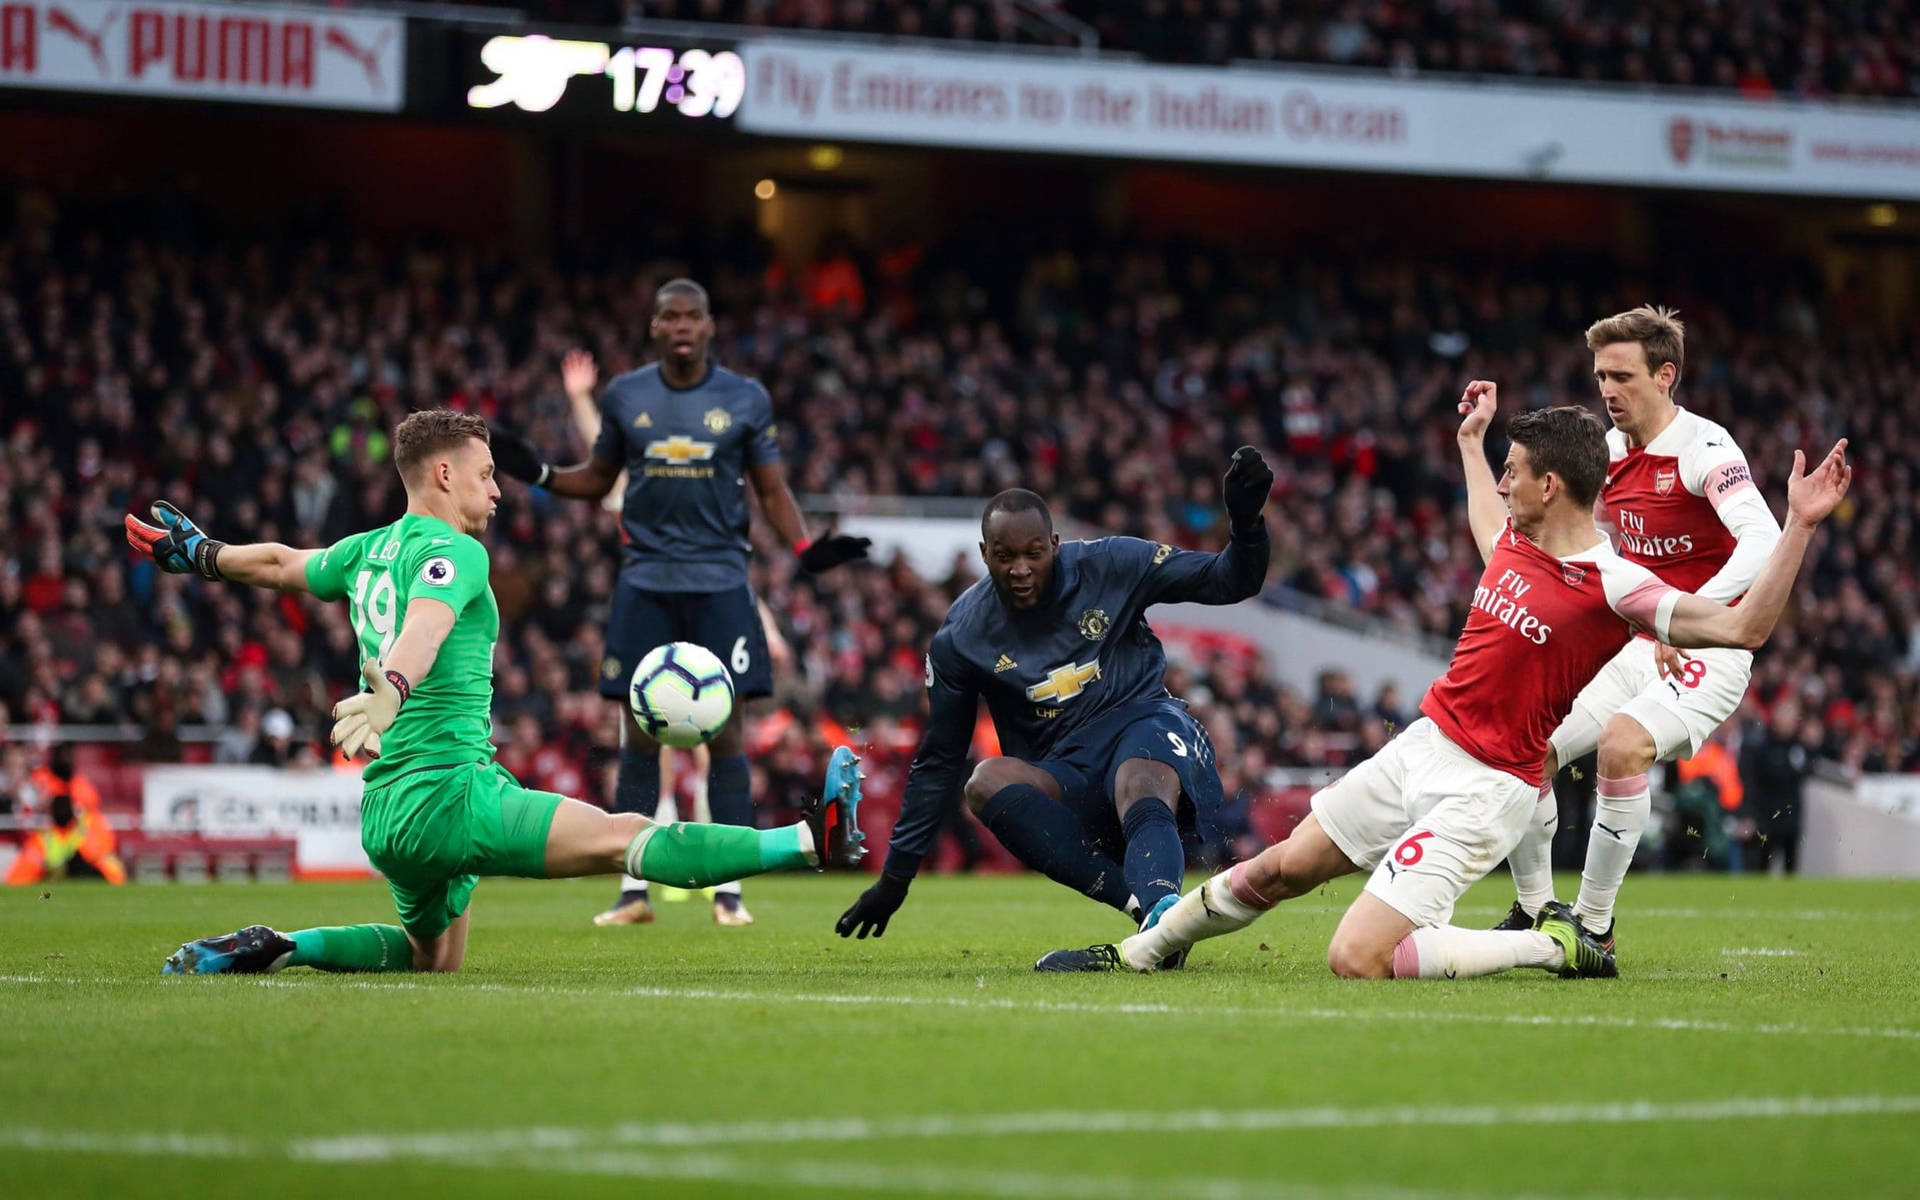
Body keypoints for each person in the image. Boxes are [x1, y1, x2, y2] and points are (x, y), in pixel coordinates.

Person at [1039, 387, 1848, 980]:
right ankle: (1136, 953)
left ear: (1551, 487)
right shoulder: (1516, 541)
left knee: (1356, 958)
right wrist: (1473, 441)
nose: (1503, 482)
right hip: (1421, 747)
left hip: (1488, 786)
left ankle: (1556, 941)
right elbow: (1482, 522)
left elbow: (1742, 629)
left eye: (1513, 471)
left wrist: (1799, 528)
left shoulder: (1614, 582)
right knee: (1280, 869)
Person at [126, 409, 862, 976]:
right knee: (623, 837)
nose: (497, 487)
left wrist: (204, 555)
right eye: (485, 474)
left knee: (431, 960)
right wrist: (395, 691)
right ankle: (806, 841)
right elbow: (426, 623)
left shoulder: (363, 550)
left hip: (386, 811)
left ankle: (283, 945)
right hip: (449, 795)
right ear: (444, 475)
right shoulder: (457, 552)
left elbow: (285, 563)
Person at [491, 280, 870, 928]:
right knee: (636, 735)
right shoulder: (626, 394)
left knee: (728, 736)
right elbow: (600, 479)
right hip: (645, 579)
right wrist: (544, 475)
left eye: (694, 314)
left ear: (710, 324)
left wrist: (805, 549)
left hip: (722, 579)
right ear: (656, 327)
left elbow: (771, 490)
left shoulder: (745, 398)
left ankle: (730, 893)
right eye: (670, 315)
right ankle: (632, 893)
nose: (683, 325)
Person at [834, 447, 1273, 956]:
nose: (1020, 568)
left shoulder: (1113, 564)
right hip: (1066, 769)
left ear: (1056, 545)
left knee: (1137, 774)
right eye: (1004, 556)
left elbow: (1229, 580)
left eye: (1033, 553)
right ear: (983, 553)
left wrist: (1245, 524)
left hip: (1145, 722)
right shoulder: (962, 636)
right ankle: (1151, 919)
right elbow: (939, 761)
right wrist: (895, 878)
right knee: (984, 781)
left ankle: (1160, 910)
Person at [1493, 305, 1781, 953]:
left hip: (1705, 646)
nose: (1608, 391)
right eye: (1600, 376)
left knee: (1623, 745)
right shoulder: (1608, 453)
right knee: (1526, 748)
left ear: (1665, 376)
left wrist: (1687, 617)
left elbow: (1762, 537)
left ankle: (1594, 928)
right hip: (1630, 644)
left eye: (1622, 376)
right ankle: (1540, 912)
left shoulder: (1704, 449)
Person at [4, 743, 127, 887]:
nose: (64, 759)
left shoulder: (89, 813)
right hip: (54, 867)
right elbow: (16, 879)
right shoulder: (40, 783)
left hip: (95, 871)